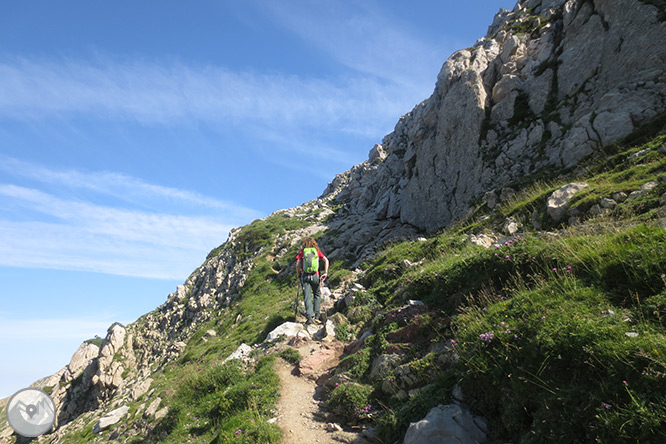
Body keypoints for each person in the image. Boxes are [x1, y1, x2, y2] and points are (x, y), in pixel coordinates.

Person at [296, 237, 329, 325]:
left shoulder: (303, 252)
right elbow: (326, 260)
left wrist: (299, 274)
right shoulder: (316, 251)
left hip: (305, 276)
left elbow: (297, 264)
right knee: (317, 294)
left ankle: (309, 317)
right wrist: (325, 273)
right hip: (315, 275)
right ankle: (317, 315)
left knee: (307, 296)